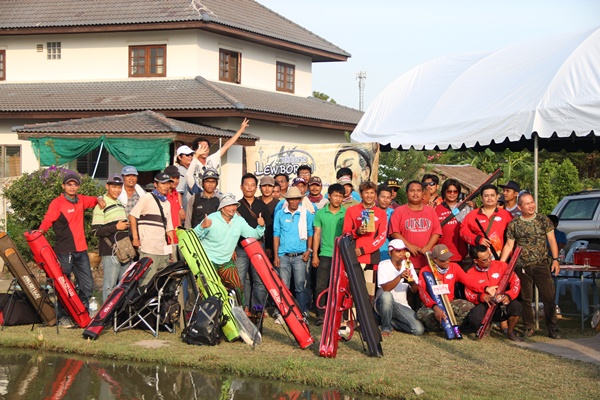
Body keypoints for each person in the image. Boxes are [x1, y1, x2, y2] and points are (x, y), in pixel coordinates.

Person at [38, 173, 104, 324]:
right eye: (69, 184)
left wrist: (99, 199)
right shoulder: (57, 203)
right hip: (64, 250)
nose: (72, 187)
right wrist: (40, 231)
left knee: (87, 285)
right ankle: (64, 315)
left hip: (81, 251)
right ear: (63, 186)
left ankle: (82, 313)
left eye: (75, 184)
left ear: (78, 186)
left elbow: (94, 199)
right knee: (65, 285)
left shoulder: (80, 199)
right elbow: (48, 219)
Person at [499, 192, 561, 339]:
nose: (531, 206)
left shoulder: (543, 220)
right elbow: (509, 245)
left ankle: (553, 328)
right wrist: (501, 264)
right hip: (522, 266)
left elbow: (552, 241)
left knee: (548, 297)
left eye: (532, 202)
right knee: (526, 298)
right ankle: (529, 327)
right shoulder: (514, 223)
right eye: (527, 203)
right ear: (520, 207)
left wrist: (556, 259)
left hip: (541, 264)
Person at [194, 193, 265, 301]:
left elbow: (254, 234)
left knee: (237, 288)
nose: (232, 208)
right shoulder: (211, 218)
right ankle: (207, 315)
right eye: (228, 205)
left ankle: (237, 314)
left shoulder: (239, 220)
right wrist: (202, 227)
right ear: (222, 208)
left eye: (234, 205)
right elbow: (194, 236)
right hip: (208, 261)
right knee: (207, 292)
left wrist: (261, 226)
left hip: (225, 261)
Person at [417, 244, 496, 333]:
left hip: (450, 302)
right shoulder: (425, 271)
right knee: (428, 317)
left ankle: (454, 326)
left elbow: (469, 281)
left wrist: (485, 288)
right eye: (443, 260)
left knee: (469, 308)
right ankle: (440, 327)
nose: (447, 261)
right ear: (435, 259)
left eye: (448, 258)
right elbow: (422, 292)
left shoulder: (454, 267)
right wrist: (434, 307)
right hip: (432, 304)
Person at [465, 245, 523, 341]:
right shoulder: (470, 273)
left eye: (489, 257)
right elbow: (468, 293)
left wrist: (508, 295)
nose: (489, 261)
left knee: (516, 306)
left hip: (502, 301)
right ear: (476, 261)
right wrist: (483, 297)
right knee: (474, 317)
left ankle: (510, 332)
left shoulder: (502, 265)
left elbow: (516, 282)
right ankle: (486, 328)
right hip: (485, 304)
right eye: (484, 260)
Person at [273, 186, 314, 316]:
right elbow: (276, 234)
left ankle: (302, 312)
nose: (295, 202)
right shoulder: (280, 213)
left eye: (297, 199)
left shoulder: (305, 213)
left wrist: (309, 250)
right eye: (292, 199)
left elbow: (310, 232)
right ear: (288, 200)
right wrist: (276, 256)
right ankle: (282, 312)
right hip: (283, 255)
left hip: (300, 256)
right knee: (283, 286)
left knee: (300, 287)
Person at [343, 181, 388, 297]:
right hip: (354, 257)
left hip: (371, 258)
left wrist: (363, 250)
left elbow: (381, 238)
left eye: (372, 193)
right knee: (353, 292)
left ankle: (367, 316)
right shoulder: (351, 211)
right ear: (361, 194)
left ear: (376, 195)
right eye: (366, 193)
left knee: (369, 294)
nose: (369, 195)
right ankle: (351, 315)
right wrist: (356, 232)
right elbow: (345, 233)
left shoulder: (381, 214)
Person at [129, 172, 175, 286]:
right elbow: (133, 216)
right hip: (148, 248)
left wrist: (172, 249)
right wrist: (135, 238)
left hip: (163, 249)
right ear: (155, 184)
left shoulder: (167, 203)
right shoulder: (147, 198)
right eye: (162, 183)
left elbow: (169, 228)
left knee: (161, 283)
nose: (165, 186)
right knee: (146, 281)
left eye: (167, 184)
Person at [91, 174, 132, 302]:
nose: (117, 190)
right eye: (113, 187)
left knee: (123, 285)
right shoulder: (101, 205)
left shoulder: (120, 203)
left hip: (124, 250)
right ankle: (106, 317)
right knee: (110, 286)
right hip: (111, 251)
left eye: (119, 187)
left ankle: (118, 317)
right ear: (107, 186)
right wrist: (116, 227)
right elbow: (95, 231)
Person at [235, 173, 272, 309]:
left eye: (252, 185)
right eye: (247, 185)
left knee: (259, 279)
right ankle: (242, 307)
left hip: (258, 246)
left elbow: (268, 227)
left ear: (256, 188)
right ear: (241, 187)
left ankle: (257, 308)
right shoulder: (236, 206)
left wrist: (268, 248)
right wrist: (233, 248)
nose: (249, 188)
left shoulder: (261, 205)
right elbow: (232, 230)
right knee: (240, 279)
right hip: (241, 248)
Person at [312, 183, 346, 326]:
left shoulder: (346, 213)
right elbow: (317, 234)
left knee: (339, 286)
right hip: (325, 254)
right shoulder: (320, 213)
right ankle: (320, 314)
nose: (337, 199)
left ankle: (338, 313)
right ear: (329, 196)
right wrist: (315, 255)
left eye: (340, 196)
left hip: (341, 255)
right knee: (321, 285)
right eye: (335, 195)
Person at [375, 239, 425, 337]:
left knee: (418, 329)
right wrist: (400, 276)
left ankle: (391, 322)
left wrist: (411, 282)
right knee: (386, 296)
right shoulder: (383, 264)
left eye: (403, 250)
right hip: (383, 303)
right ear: (390, 252)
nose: (401, 253)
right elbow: (385, 289)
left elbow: (415, 290)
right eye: (398, 251)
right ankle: (386, 328)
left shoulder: (409, 265)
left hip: (401, 305)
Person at [389, 180, 442, 271]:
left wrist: (428, 247)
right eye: (412, 190)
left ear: (422, 193)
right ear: (406, 193)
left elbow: (436, 232)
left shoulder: (430, 211)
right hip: (405, 260)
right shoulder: (399, 211)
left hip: (427, 260)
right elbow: (395, 233)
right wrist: (409, 246)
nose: (415, 193)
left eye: (418, 190)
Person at [186, 118, 250, 192]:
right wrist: (196, 156)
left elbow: (226, 146)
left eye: (207, 147)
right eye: (202, 147)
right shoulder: (192, 162)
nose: (205, 150)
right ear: (195, 149)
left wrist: (240, 130)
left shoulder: (211, 159)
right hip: (198, 195)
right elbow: (188, 175)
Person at [460, 184, 513, 257]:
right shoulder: (473, 215)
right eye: (486, 196)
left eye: (492, 195)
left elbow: (513, 235)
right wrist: (477, 239)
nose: (489, 198)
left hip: (500, 256)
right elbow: (463, 231)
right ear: (481, 198)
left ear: (497, 196)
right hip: (481, 257)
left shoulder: (506, 215)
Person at [435, 179, 470, 267]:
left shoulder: (465, 208)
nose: (452, 194)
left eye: (455, 191)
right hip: (442, 255)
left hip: (462, 256)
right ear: (444, 192)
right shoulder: (436, 209)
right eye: (449, 191)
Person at [164, 165, 185, 244]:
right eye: (173, 178)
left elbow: (180, 217)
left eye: (177, 178)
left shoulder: (178, 195)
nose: (176, 181)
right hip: (166, 237)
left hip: (177, 237)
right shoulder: (162, 195)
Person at [376, 185, 395, 262]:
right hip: (373, 253)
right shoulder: (370, 213)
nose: (385, 200)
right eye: (383, 197)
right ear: (377, 197)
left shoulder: (394, 214)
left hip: (388, 254)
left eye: (388, 198)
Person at [175, 145, 195, 209]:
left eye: (191, 154)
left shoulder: (189, 171)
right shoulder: (180, 171)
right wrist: (180, 208)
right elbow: (178, 192)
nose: (190, 157)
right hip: (185, 210)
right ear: (179, 157)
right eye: (187, 155)